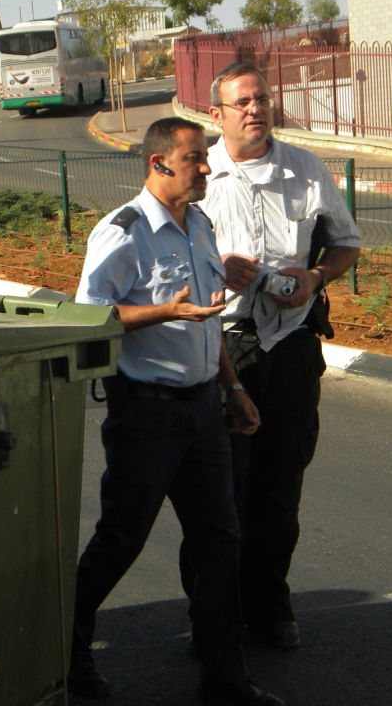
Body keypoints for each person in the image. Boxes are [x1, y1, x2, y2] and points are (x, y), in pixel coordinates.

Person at [68, 117, 284, 706]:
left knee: (219, 540)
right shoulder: (124, 231)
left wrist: (233, 387)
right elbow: (89, 320)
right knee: (121, 539)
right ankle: (66, 645)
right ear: (159, 163)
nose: (207, 168)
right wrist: (163, 312)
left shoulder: (201, 224)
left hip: (202, 411)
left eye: (204, 158)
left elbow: (206, 317)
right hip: (147, 415)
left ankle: (225, 679)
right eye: (194, 159)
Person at [196, 62, 362, 650]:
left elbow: (347, 243)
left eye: (261, 99)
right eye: (240, 102)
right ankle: (217, 621)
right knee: (224, 492)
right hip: (224, 347)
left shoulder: (306, 169)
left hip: (290, 347)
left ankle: (270, 606)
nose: (254, 109)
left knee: (280, 486)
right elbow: (162, 256)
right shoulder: (200, 176)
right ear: (216, 114)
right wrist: (218, 271)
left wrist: (315, 276)